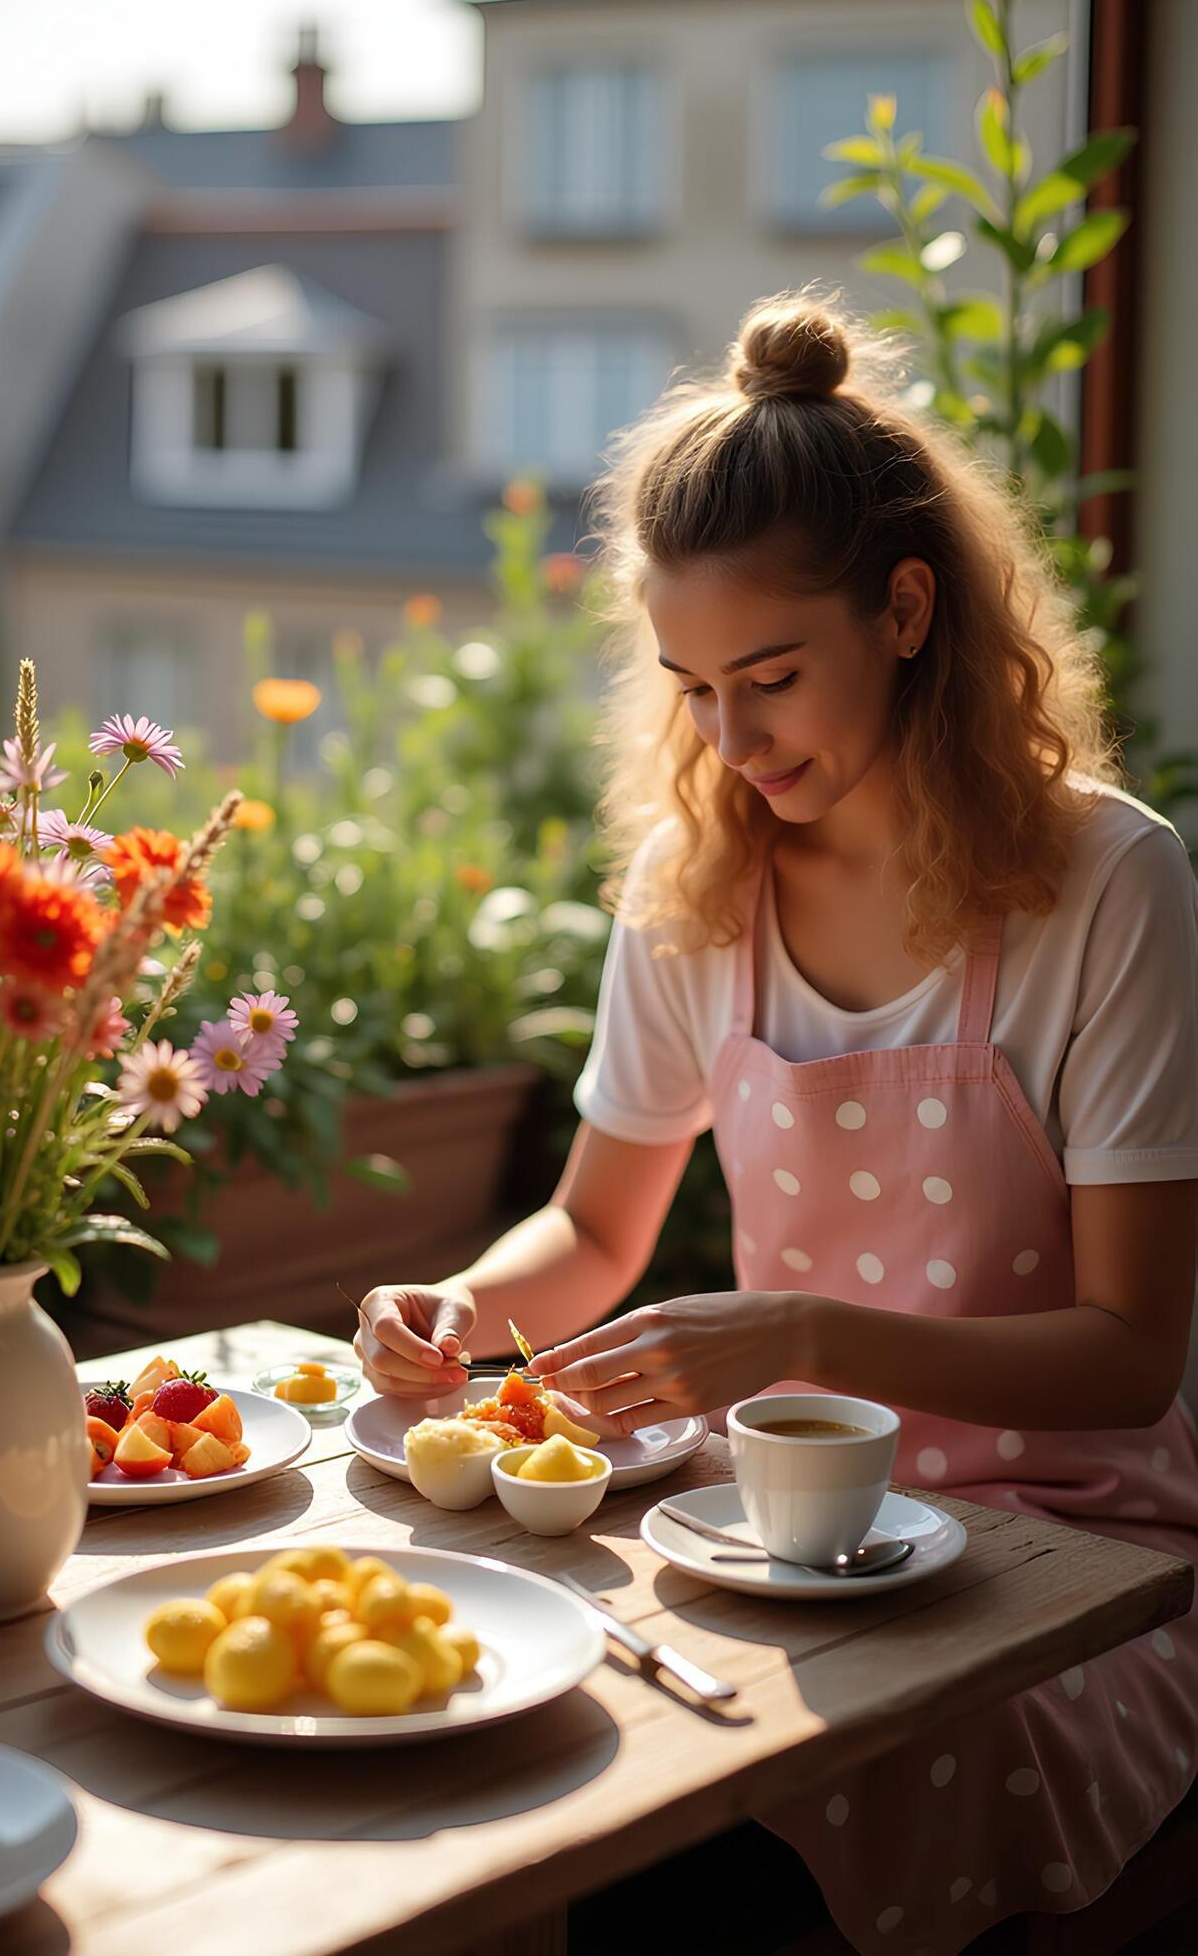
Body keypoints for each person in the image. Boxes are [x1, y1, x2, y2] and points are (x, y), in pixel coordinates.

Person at [353, 292, 1198, 1955]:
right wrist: (466, 1308)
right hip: (785, 1540)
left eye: (769, 678)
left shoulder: (1112, 883)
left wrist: (805, 1331)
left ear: (904, 609)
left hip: (1082, 1570)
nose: (732, 746)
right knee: (563, 1769)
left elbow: (1131, 1356)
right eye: (691, 688)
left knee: (735, 1842)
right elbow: (594, 1231)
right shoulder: (696, 890)